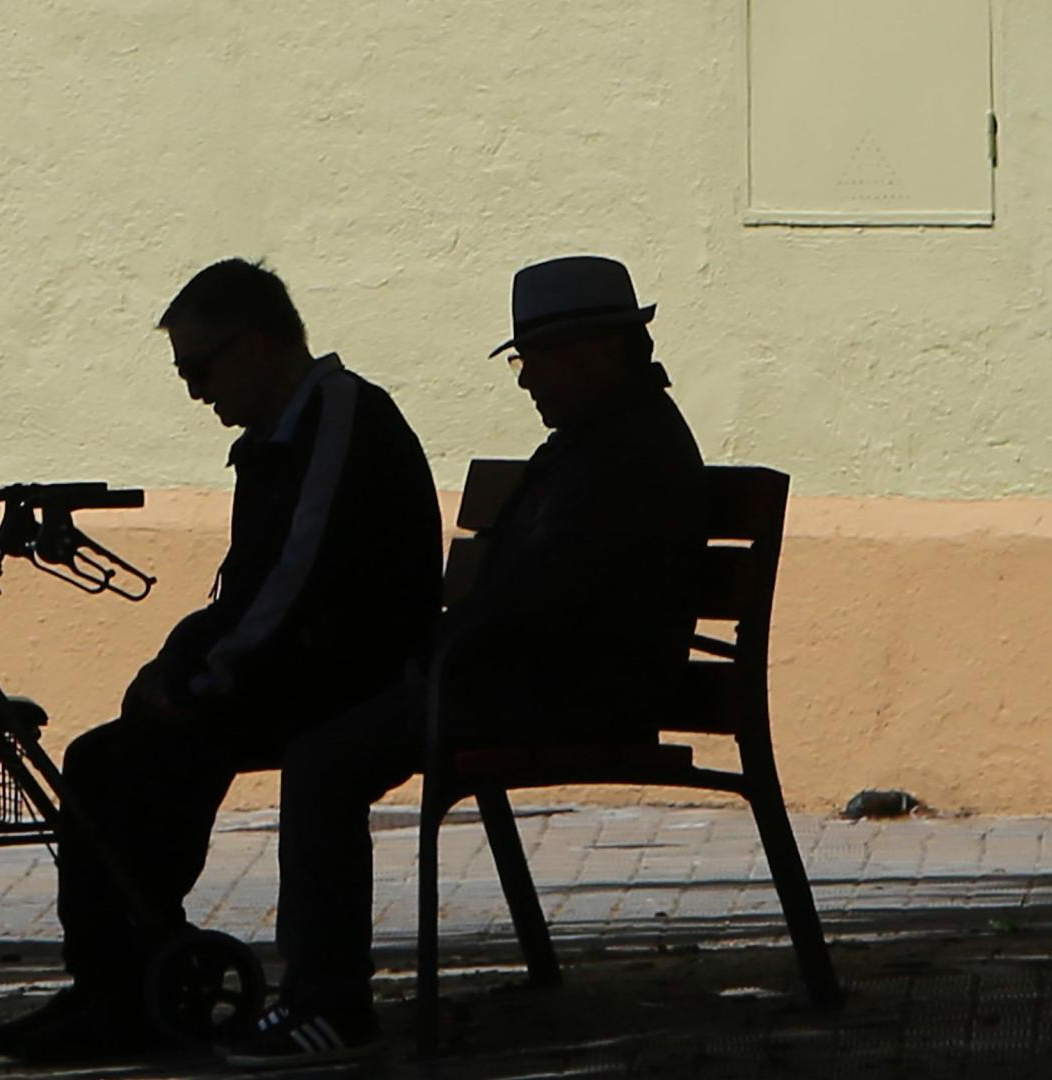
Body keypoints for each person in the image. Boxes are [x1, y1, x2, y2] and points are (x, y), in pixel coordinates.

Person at [223, 255, 707, 1068]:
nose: (525, 383)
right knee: (330, 735)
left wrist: (437, 660)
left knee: (323, 759)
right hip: (544, 680)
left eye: (532, 360)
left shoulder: (616, 455)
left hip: (564, 694)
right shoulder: (609, 438)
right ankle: (315, 992)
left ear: (592, 353)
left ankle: (328, 1004)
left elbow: (536, 599)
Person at [0, 258, 442, 1062]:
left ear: (256, 345)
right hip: (297, 671)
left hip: (350, 677)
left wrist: (196, 684)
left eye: (200, 368)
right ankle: (119, 978)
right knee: (103, 760)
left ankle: (145, 981)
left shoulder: (340, 417)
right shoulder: (273, 439)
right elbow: (245, 592)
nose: (196, 393)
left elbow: (293, 584)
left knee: (158, 752)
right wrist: (175, 667)